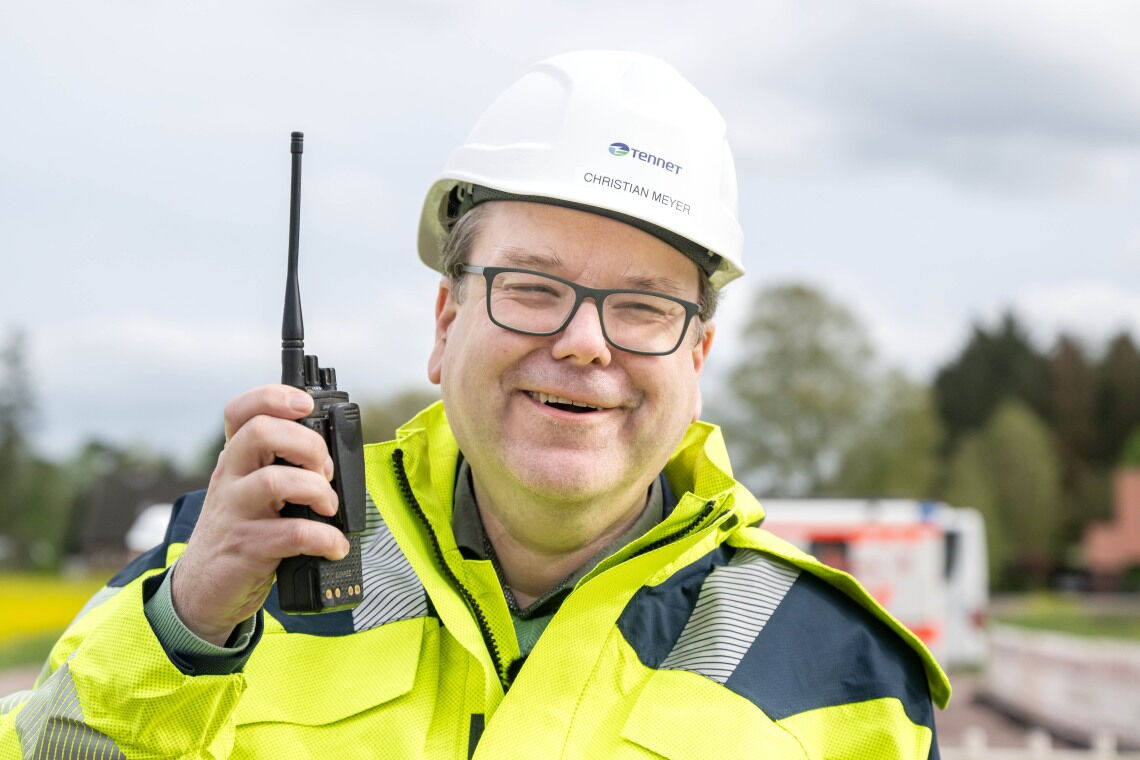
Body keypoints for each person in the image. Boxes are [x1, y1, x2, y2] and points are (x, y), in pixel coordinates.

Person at [1, 50, 949, 758]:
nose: (585, 342)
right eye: (532, 288)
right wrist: (185, 636)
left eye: (642, 306)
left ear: (696, 355)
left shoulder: (841, 671)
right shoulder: (224, 574)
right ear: (446, 321)